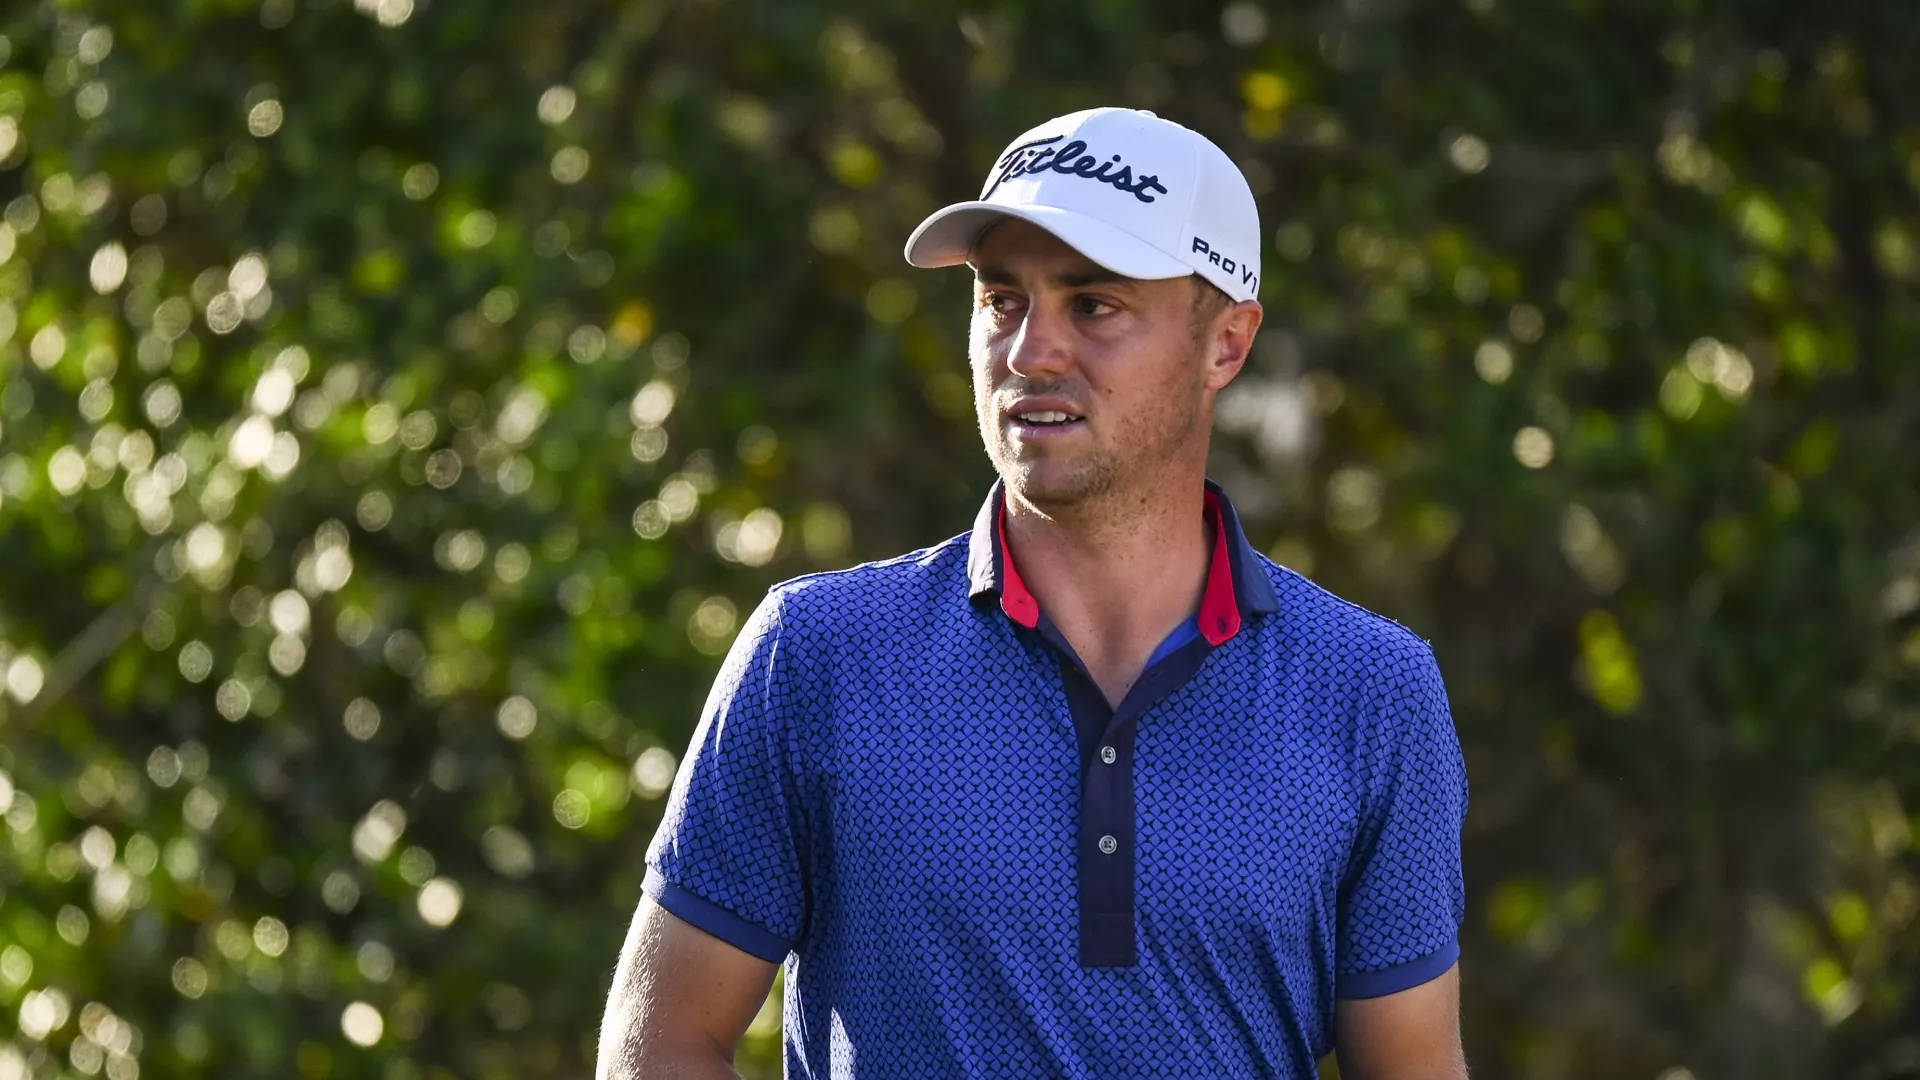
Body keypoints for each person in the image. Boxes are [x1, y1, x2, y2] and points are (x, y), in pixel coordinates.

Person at [595, 107, 1469, 1079]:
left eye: (1092, 305)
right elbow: (664, 1042)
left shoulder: (1371, 692)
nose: (1029, 352)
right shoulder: (818, 654)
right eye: (1003, 301)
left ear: (1226, 342)